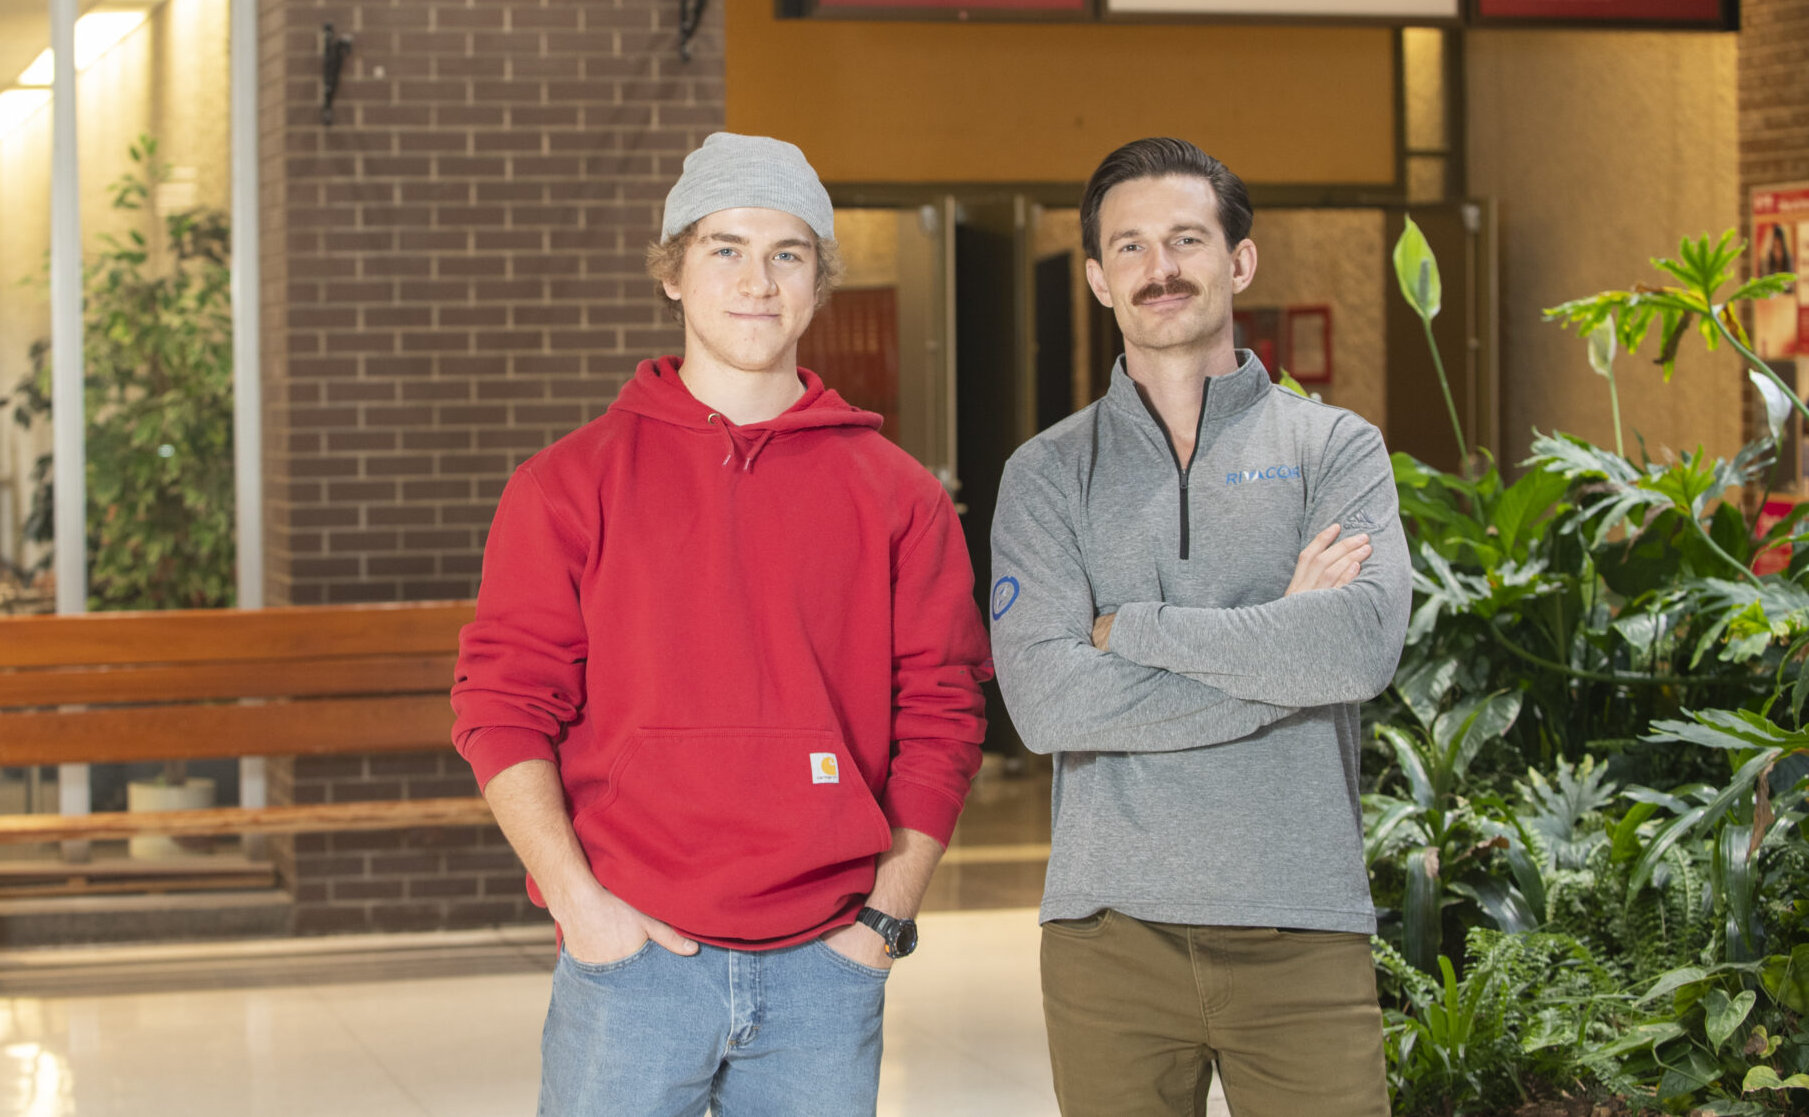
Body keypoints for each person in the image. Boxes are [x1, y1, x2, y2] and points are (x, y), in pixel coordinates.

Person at [451, 132, 992, 1117]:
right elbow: (499, 708)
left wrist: (881, 921)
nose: (756, 280)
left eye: (786, 253)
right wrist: (580, 905)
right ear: (673, 272)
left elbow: (943, 717)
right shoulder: (564, 486)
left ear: (817, 281)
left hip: (823, 970)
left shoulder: (897, 496)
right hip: (630, 961)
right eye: (724, 249)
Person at [989, 137, 1412, 1117]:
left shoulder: (1332, 450)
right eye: (1128, 247)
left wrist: (1131, 627)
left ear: (1238, 259)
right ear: (1096, 276)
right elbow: (1048, 705)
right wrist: (1279, 645)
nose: (1159, 268)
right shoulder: (1047, 474)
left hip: (1300, 927)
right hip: (1108, 935)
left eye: (1185, 238)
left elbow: (1353, 648)